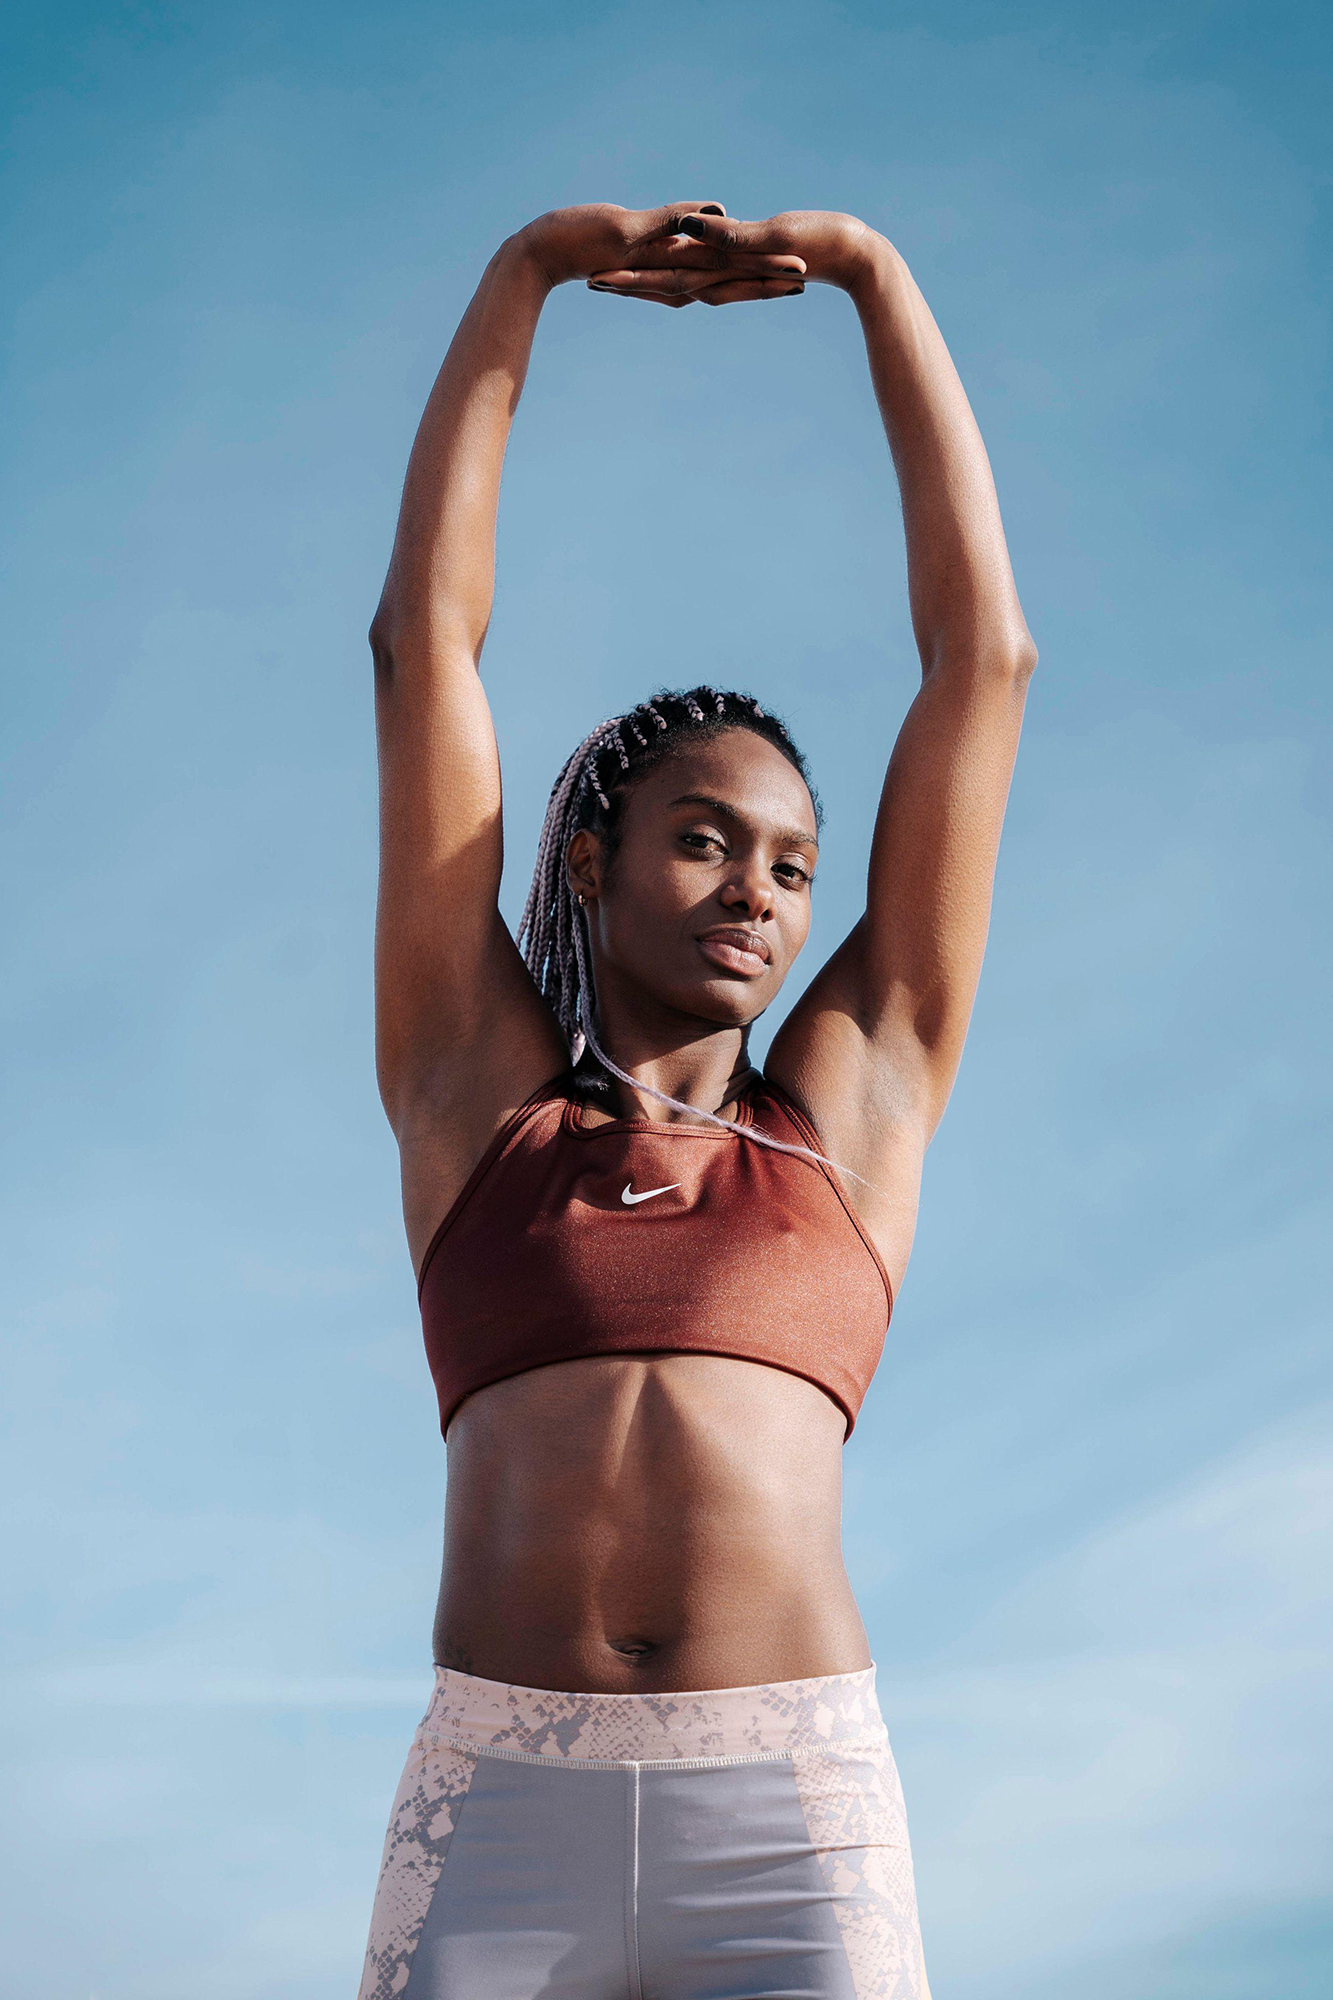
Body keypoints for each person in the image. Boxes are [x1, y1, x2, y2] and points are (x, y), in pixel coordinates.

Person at [359, 201, 1036, 2000]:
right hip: (497, 1807)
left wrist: (884, 279)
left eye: (796, 865)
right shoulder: (475, 1103)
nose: (759, 890)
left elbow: (986, 668)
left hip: (791, 1819)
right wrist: (522, 273)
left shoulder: (853, 1110)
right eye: (706, 840)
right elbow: (426, 644)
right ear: (585, 863)